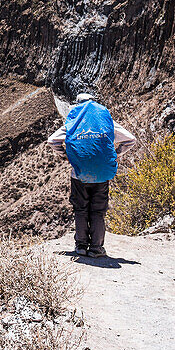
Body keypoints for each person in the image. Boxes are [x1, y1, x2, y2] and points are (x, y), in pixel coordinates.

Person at [47, 93, 136, 258]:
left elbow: (52, 140)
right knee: (98, 211)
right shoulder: (105, 121)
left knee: (80, 209)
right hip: (102, 174)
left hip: (79, 174)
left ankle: (81, 246)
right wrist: (115, 154)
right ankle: (96, 248)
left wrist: (65, 155)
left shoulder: (74, 122)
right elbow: (130, 139)